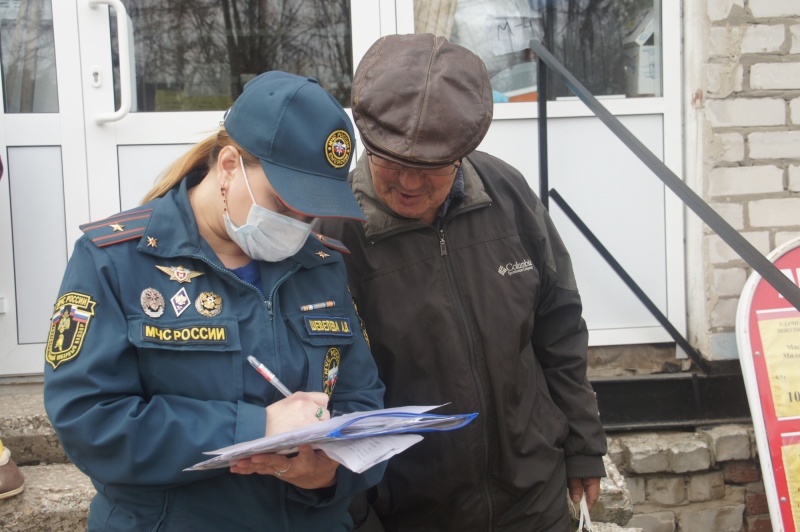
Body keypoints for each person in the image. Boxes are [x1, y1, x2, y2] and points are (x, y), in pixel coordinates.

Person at [43, 71, 385, 531]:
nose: (299, 224)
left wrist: (328, 473)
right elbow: (90, 423)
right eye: (283, 205)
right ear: (228, 166)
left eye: (312, 211)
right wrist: (255, 428)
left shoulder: (320, 266)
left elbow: (363, 400)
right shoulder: (115, 260)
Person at [316, 34, 607, 531]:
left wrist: (583, 445)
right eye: (391, 162)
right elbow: (326, 392)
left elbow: (559, 328)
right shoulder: (334, 231)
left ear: (463, 152)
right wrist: (360, 515)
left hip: (532, 496)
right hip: (412, 509)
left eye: (430, 168)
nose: (409, 183)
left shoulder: (508, 193)